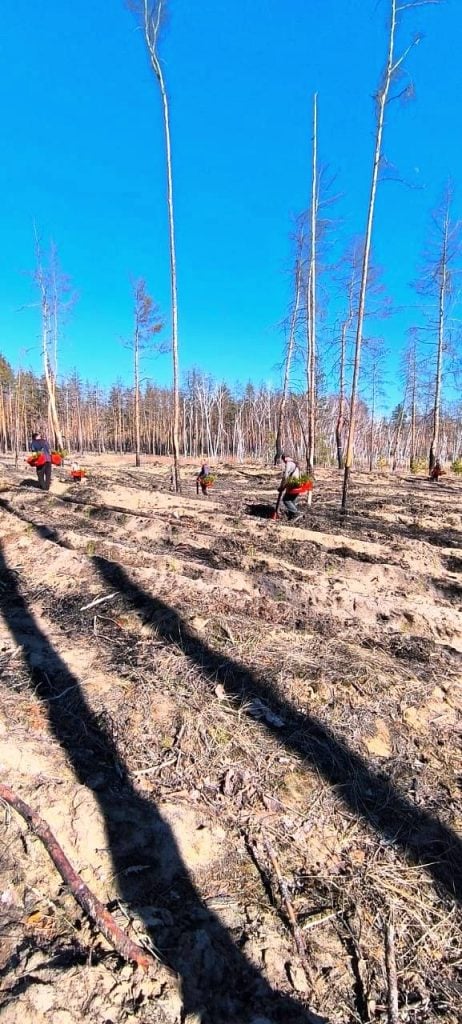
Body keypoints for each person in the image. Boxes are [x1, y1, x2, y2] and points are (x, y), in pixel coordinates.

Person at [275, 453, 302, 522]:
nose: (284, 462)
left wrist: (282, 487)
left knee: (286, 500)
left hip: (293, 484)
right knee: (292, 501)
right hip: (299, 485)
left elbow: (285, 477)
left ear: (285, 458)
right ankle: (292, 518)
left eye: (283, 460)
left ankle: (296, 514)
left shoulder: (289, 464)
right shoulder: (296, 464)